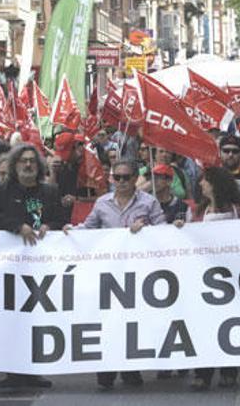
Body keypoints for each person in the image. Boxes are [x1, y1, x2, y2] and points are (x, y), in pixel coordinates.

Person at [64, 160, 167, 391]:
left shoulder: (149, 202)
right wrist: (70, 232)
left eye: (126, 177)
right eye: (116, 177)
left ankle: (131, 370)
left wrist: (146, 230)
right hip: (108, 272)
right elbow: (88, 228)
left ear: (134, 179)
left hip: (137, 272)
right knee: (108, 321)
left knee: (131, 320)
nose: (121, 182)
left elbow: (164, 231)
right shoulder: (102, 203)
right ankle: (106, 371)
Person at [0, 143, 64, 390]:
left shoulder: (50, 192)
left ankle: (33, 370)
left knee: (36, 318)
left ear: (38, 166)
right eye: (23, 161)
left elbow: (60, 219)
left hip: (41, 268)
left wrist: (52, 225)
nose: (28, 165)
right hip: (11, 267)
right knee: (13, 318)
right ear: (15, 165)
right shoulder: (3, 191)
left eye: (32, 161)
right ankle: (13, 370)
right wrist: (17, 226)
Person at [190, 167, 240, 391]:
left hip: (232, 277)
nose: (201, 185)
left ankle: (229, 370)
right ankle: (203, 372)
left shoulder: (238, 210)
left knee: (230, 325)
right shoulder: (199, 212)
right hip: (205, 278)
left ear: (214, 184)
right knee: (204, 326)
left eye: (204, 181)